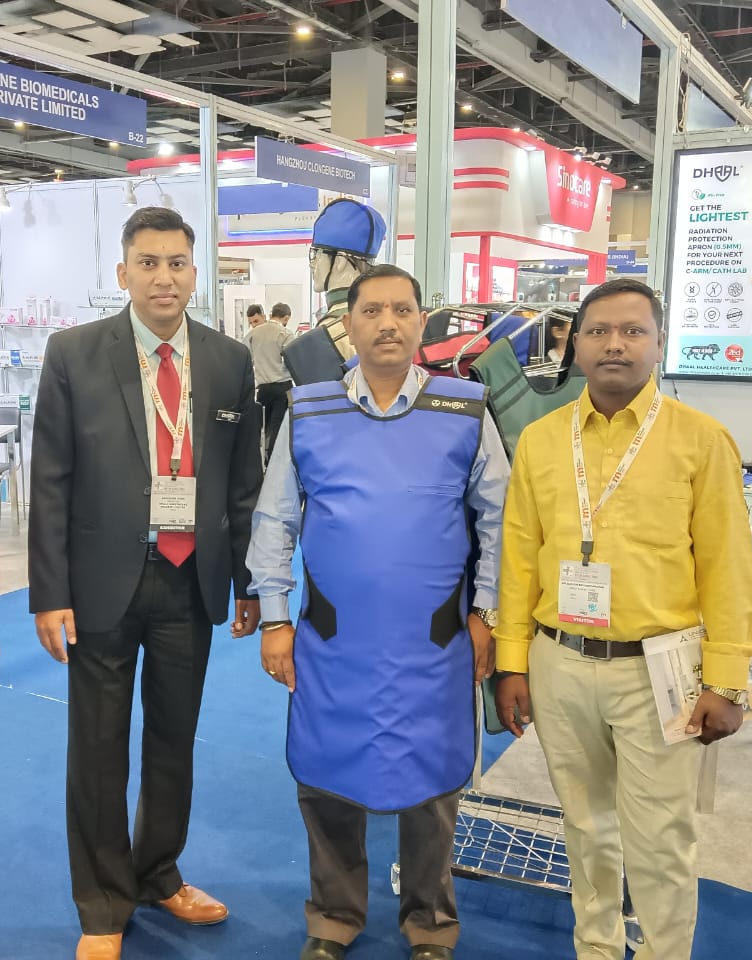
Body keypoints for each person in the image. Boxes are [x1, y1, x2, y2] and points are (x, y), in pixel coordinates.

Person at [247, 264, 510, 960]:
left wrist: (486, 611)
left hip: (436, 641)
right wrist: (275, 617)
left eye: (402, 310)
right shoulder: (311, 410)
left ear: (421, 322)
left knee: (432, 785)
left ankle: (430, 923)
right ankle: (333, 918)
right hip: (332, 639)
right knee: (327, 778)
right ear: (349, 325)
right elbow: (274, 519)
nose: (388, 323)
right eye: (372, 311)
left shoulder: (464, 410)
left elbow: (501, 518)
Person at [493, 277, 752, 960]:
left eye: (633, 331)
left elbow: (727, 567)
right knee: (585, 828)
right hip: (559, 662)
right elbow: (518, 558)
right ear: (574, 346)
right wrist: (512, 661)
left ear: (659, 344)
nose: (615, 343)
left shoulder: (702, 440)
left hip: (659, 670)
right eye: (599, 331)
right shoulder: (541, 440)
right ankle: (598, 949)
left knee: (660, 839)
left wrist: (727, 679)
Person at [28, 206, 263, 960]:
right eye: (149, 263)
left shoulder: (229, 361)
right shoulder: (74, 352)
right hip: (102, 581)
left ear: (195, 273)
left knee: (172, 739)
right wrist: (48, 591)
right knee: (98, 747)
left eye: (177, 263)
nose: (165, 277)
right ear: (123, 272)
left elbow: (244, 485)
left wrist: (251, 581)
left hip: (191, 580)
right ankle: (103, 901)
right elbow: (51, 478)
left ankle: (158, 871)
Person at [282, 199, 386, 385]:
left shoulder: (327, 333)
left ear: (340, 261)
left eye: (316, 253)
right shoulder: (393, 319)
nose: (312, 263)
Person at [246, 299, 294, 465]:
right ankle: (273, 464)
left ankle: (258, 462)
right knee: (278, 428)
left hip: (263, 389)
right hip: (283, 387)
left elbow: (245, 357)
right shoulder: (285, 334)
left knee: (262, 428)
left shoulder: (253, 334)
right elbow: (292, 361)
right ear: (286, 318)